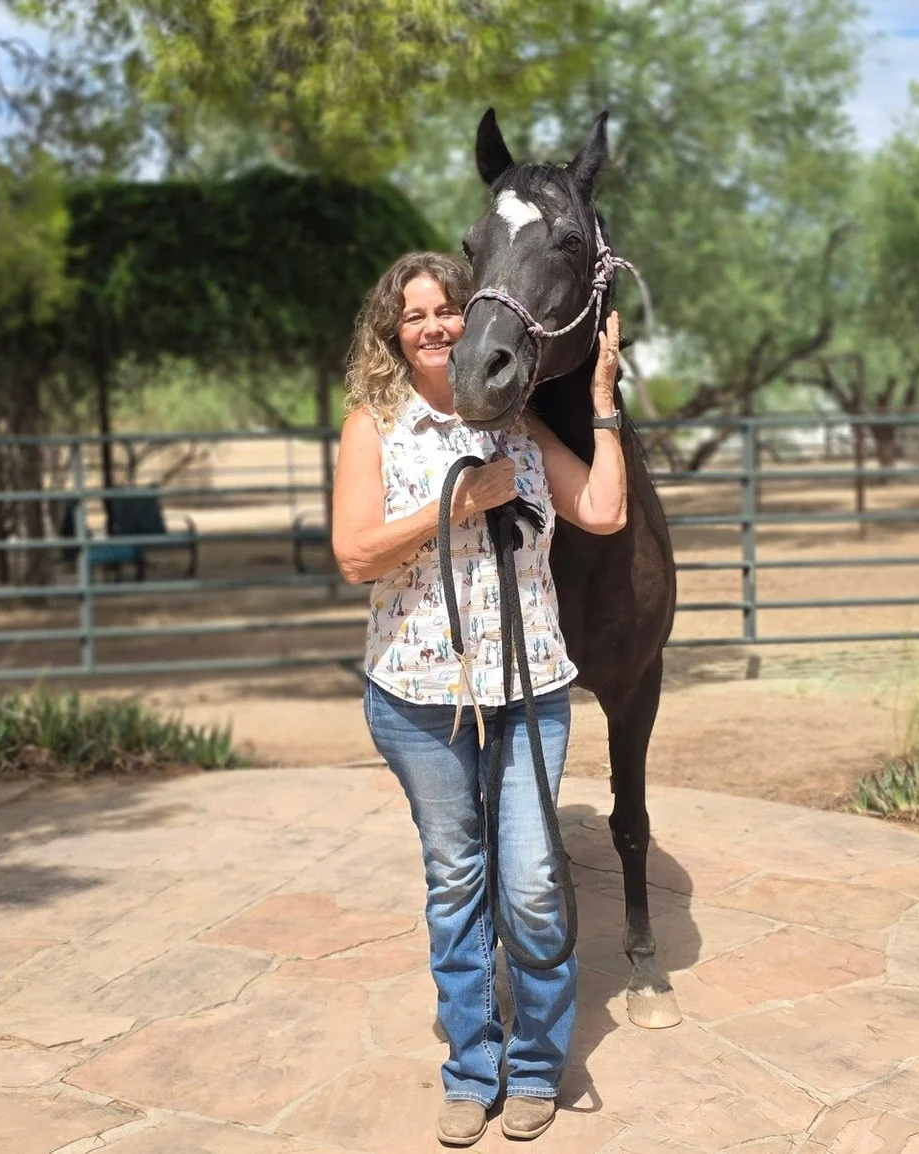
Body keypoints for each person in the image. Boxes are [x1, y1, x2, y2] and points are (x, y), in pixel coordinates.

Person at [330, 252, 628, 1146]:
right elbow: (354, 556)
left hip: (532, 690)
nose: (433, 326)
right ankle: (473, 1070)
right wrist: (461, 504)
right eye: (414, 314)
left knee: (532, 886)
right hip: (420, 700)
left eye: (448, 310)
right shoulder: (375, 426)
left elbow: (605, 510)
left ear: (477, 317)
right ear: (393, 332)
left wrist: (604, 402)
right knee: (456, 883)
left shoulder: (522, 422)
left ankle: (535, 1068)